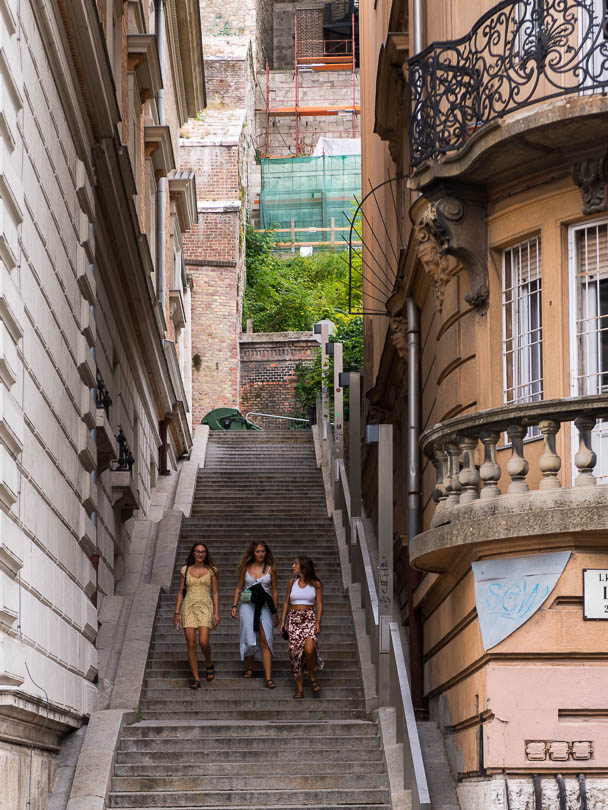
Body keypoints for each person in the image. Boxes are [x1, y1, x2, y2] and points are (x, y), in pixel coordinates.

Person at [231, 542, 278, 688]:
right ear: (253, 553)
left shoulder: (271, 570)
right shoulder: (245, 568)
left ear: (266, 552)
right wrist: (234, 605)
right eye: (257, 551)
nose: (260, 554)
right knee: (250, 637)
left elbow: (275, 591)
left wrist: (275, 611)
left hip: (264, 606)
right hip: (247, 605)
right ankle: (249, 666)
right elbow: (239, 587)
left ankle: (268, 677)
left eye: (263, 551)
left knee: (266, 639)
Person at [173, 542, 220, 689]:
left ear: (206, 554)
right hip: (188, 607)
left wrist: (217, 613)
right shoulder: (185, 570)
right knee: (191, 644)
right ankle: (196, 678)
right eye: (198, 551)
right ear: (193, 553)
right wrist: (176, 612)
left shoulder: (211, 570)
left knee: (203, 641)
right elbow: (181, 592)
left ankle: (208, 661)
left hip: (206, 606)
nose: (200, 554)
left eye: (203, 551)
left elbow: (216, 592)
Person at [280, 555, 324, 698]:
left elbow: (319, 604)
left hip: (309, 619)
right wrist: (282, 622)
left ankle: (311, 676)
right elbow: (286, 602)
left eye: (295, 564)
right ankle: (300, 689)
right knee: (295, 654)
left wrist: (318, 621)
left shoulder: (316, 584)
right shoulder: (291, 582)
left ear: (303, 566)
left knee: (310, 650)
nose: (293, 566)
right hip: (294, 619)